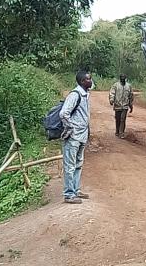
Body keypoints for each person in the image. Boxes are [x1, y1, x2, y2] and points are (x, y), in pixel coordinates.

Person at [60, 70, 92, 204]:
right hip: (73, 137)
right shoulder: (75, 95)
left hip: (82, 136)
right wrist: (71, 127)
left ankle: (76, 190)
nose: (91, 81)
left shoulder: (85, 95)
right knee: (70, 165)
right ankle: (69, 194)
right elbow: (63, 114)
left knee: (78, 164)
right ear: (82, 81)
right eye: (89, 79)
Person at [109, 74, 134, 139]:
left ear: (125, 78)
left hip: (125, 106)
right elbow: (112, 93)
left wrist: (131, 105)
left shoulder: (129, 86)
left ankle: (121, 132)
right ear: (120, 78)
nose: (123, 79)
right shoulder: (115, 85)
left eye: (124, 78)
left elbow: (131, 96)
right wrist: (111, 100)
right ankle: (117, 131)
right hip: (117, 105)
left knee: (123, 119)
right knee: (118, 119)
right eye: (121, 78)